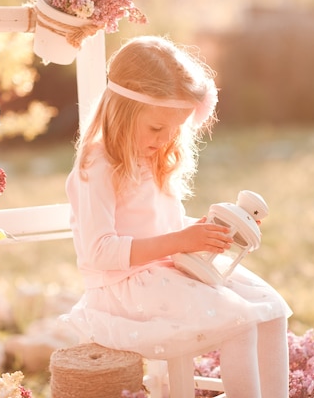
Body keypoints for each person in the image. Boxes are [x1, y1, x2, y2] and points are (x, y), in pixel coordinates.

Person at [61, 35, 292, 397]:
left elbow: (163, 225)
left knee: (273, 309)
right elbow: (100, 252)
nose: (166, 139)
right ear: (122, 110)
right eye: (157, 128)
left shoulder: (153, 156)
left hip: (170, 266)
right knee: (240, 321)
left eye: (175, 129)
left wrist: (206, 230)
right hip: (125, 286)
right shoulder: (99, 165)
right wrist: (180, 241)